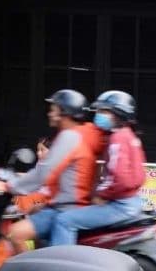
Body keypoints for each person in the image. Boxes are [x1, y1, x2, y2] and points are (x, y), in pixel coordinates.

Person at [0, 89, 101, 253]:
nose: (50, 114)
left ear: (64, 112)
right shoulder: (83, 133)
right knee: (34, 213)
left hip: (67, 208)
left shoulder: (70, 137)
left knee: (15, 234)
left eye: (53, 110)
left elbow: (44, 172)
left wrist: (8, 187)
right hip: (65, 204)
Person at [53, 91, 149, 245]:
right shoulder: (130, 136)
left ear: (118, 114)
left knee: (64, 220)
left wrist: (101, 194)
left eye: (104, 111)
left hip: (120, 205)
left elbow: (118, 177)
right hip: (133, 201)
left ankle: (60, 264)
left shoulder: (117, 139)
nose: (98, 115)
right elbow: (140, 176)